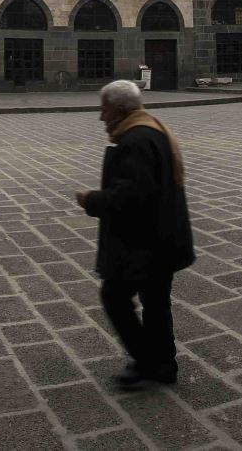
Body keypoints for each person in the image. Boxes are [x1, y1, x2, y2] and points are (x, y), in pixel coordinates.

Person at [75, 80, 194, 390]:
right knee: (155, 302)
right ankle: (163, 365)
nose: (101, 116)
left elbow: (132, 196)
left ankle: (147, 360)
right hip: (161, 236)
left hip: (144, 243)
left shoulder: (135, 139)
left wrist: (91, 200)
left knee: (114, 296)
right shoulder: (151, 128)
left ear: (119, 110)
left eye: (104, 110)